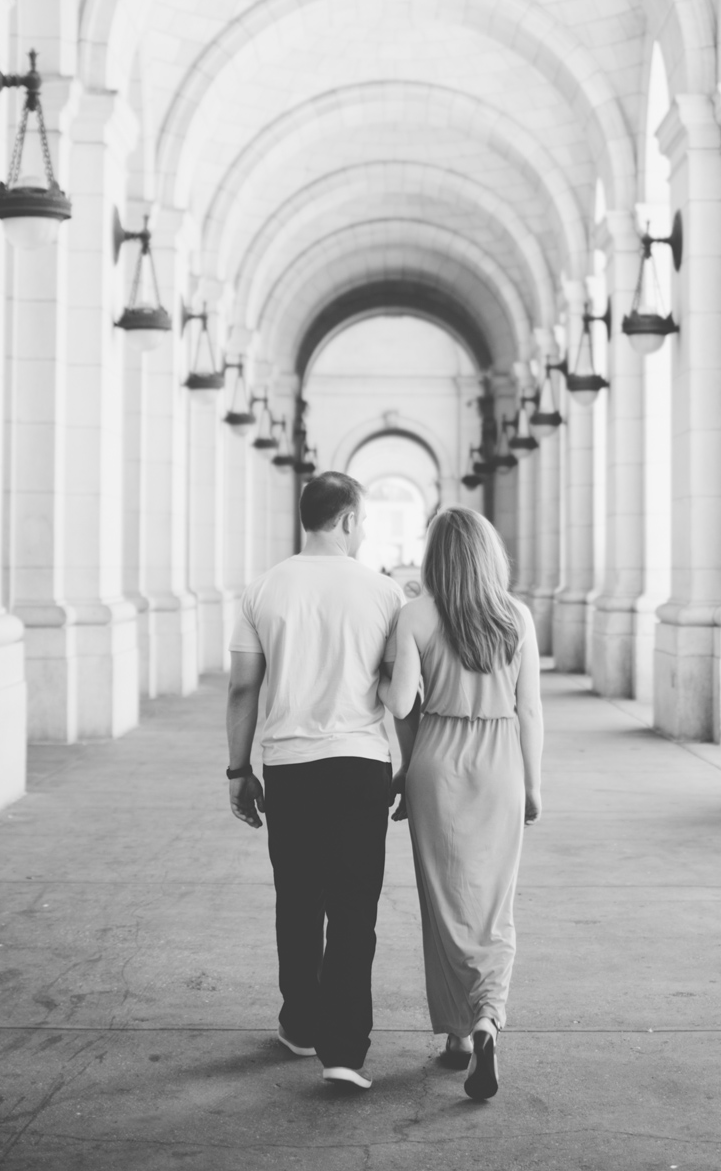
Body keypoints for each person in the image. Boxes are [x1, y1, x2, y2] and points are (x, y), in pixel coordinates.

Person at [225, 472, 405, 1090]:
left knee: (297, 901)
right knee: (355, 908)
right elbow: (396, 690)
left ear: (308, 517)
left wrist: (237, 769)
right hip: (360, 764)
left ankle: (300, 1024)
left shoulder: (264, 588)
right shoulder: (384, 595)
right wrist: (403, 767)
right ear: (350, 520)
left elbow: (243, 687)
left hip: (290, 765)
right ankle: (344, 1051)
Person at [384, 505, 544, 1101]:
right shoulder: (515, 616)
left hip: (437, 761)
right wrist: (533, 782)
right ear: (488, 553)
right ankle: (484, 1021)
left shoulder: (416, 614)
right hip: (501, 759)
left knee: (446, 903)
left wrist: (383, 679)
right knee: (494, 902)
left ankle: (455, 1036)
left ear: (435, 555)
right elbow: (530, 709)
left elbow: (401, 705)